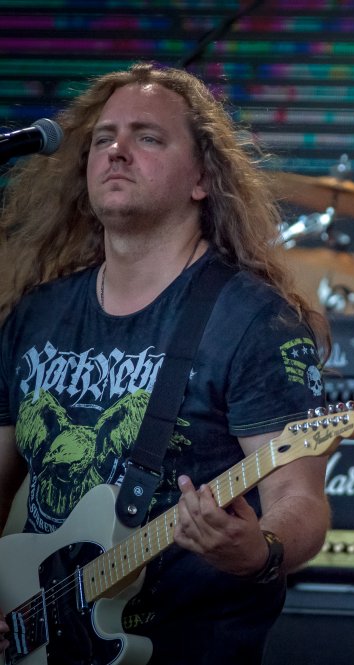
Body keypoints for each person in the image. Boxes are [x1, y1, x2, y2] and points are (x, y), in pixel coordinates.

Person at [0, 63, 333, 664]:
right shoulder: (36, 315)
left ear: (203, 177)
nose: (116, 151)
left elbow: (300, 495)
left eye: (147, 137)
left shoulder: (251, 321)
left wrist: (261, 550)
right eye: (103, 138)